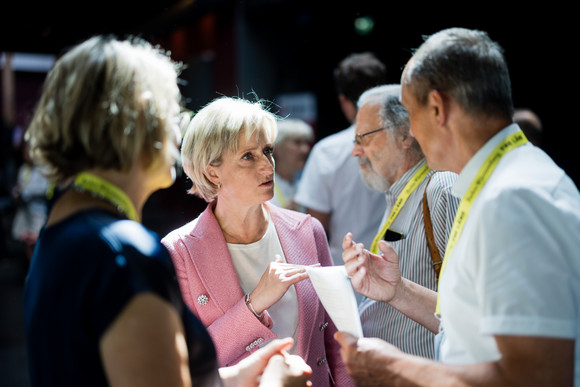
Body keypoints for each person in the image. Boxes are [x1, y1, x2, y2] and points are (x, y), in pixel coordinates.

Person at [23, 35, 312, 387]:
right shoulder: (124, 252)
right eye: (175, 111)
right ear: (141, 118)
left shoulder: (64, 228)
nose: (180, 126)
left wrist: (235, 378)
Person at [336, 28, 580, 386]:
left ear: (438, 107)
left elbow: (538, 375)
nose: (412, 133)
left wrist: (397, 369)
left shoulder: (511, 198)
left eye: (410, 112)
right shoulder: (509, 180)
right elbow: (469, 327)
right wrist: (398, 290)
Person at [161, 96, 354, 387]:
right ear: (212, 172)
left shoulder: (307, 230)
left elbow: (337, 342)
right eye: (248, 156)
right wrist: (253, 304)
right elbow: (186, 360)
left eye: (267, 151)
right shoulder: (178, 251)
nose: (267, 167)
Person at [350, 84, 459, 358]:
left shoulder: (441, 188)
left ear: (404, 134)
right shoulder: (394, 196)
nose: (356, 151)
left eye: (363, 137)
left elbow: (472, 314)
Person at [294, 52, 387, 267]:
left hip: (347, 272)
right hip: (401, 269)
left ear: (343, 100)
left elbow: (315, 229)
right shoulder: (406, 143)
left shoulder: (327, 151)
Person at [270, 118, 314, 211]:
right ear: (277, 148)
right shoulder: (264, 186)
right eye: (297, 142)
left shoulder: (304, 184)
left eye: (307, 143)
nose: (305, 150)